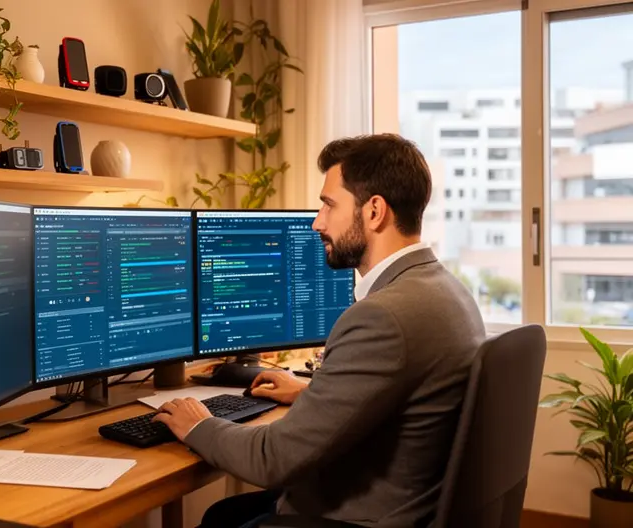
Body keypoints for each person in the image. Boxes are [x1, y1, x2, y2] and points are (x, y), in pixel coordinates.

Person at [153, 133, 487, 528]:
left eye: (329, 204)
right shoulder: (448, 291)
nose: (317, 222)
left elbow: (272, 459)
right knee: (220, 516)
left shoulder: (383, 316)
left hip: (357, 518)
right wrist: (310, 392)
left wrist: (198, 423)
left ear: (374, 211)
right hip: (404, 505)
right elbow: (402, 400)